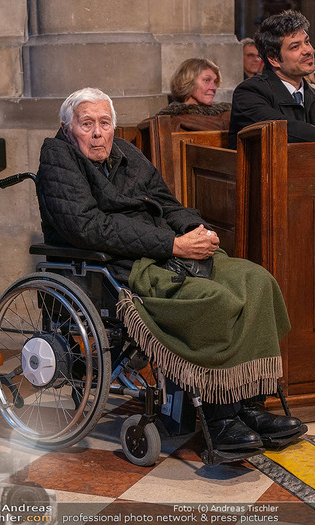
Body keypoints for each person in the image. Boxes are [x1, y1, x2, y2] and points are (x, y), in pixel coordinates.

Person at [36, 87, 305, 452]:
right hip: (121, 266)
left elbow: (167, 203)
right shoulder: (57, 158)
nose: (98, 132)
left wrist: (197, 229)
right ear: (69, 129)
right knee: (212, 299)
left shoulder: (127, 153)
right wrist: (172, 245)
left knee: (256, 280)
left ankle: (250, 404)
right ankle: (220, 415)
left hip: (169, 253)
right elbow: (88, 227)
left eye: (105, 122)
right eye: (87, 124)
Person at [229, 10, 315, 149]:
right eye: (295, 47)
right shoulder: (249, 93)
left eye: (307, 42)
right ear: (274, 59)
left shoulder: (311, 93)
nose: (308, 50)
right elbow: (283, 129)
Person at [155, 58, 231, 131]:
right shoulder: (169, 121)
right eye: (207, 80)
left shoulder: (226, 113)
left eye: (214, 82)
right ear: (188, 82)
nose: (213, 87)